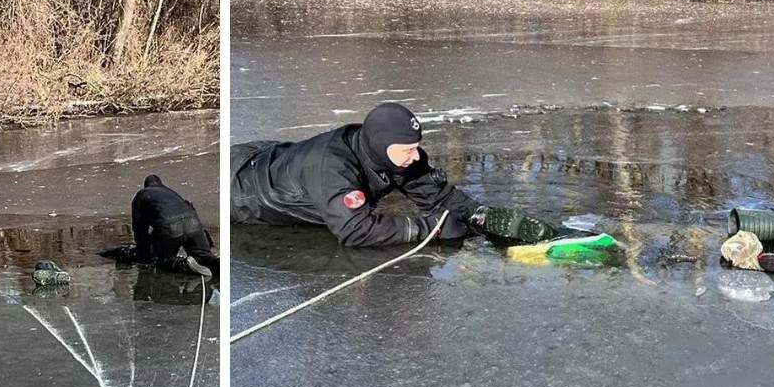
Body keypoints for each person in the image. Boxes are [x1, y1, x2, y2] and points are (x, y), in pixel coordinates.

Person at [230, 103, 556, 247]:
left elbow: (438, 195)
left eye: (417, 147)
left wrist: (483, 216)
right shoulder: (333, 169)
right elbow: (354, 231)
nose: (415, 157)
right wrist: (429, 229)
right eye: (407, 150)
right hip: (243, 188)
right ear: (381, 145)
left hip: (276, 155)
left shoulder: (397, 153)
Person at [131, 174, 219, 277]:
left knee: (163, 261)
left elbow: (139, 229)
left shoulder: (141, 196)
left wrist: (144, 255)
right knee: (203, 256)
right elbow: (190, 208)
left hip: (170, 226)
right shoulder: (171, 192)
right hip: (193, 223)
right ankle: (217, 264)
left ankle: (184, 265)